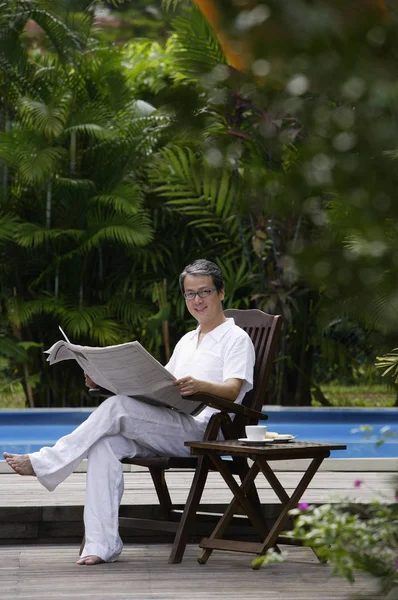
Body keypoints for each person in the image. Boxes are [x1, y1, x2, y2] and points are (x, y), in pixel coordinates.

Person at [3, 259, 255, 565]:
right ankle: (102, 544)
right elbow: (161, 389)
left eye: (205, 292)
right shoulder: (188, 340)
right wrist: (106, 382)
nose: (197, 300)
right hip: (173, 424)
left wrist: (200, 385)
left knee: (118, 408)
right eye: (190, 294)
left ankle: (47, 462)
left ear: (222, 293)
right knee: (104, 444)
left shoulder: (237, 339)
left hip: (205, 430)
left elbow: (232, 391)